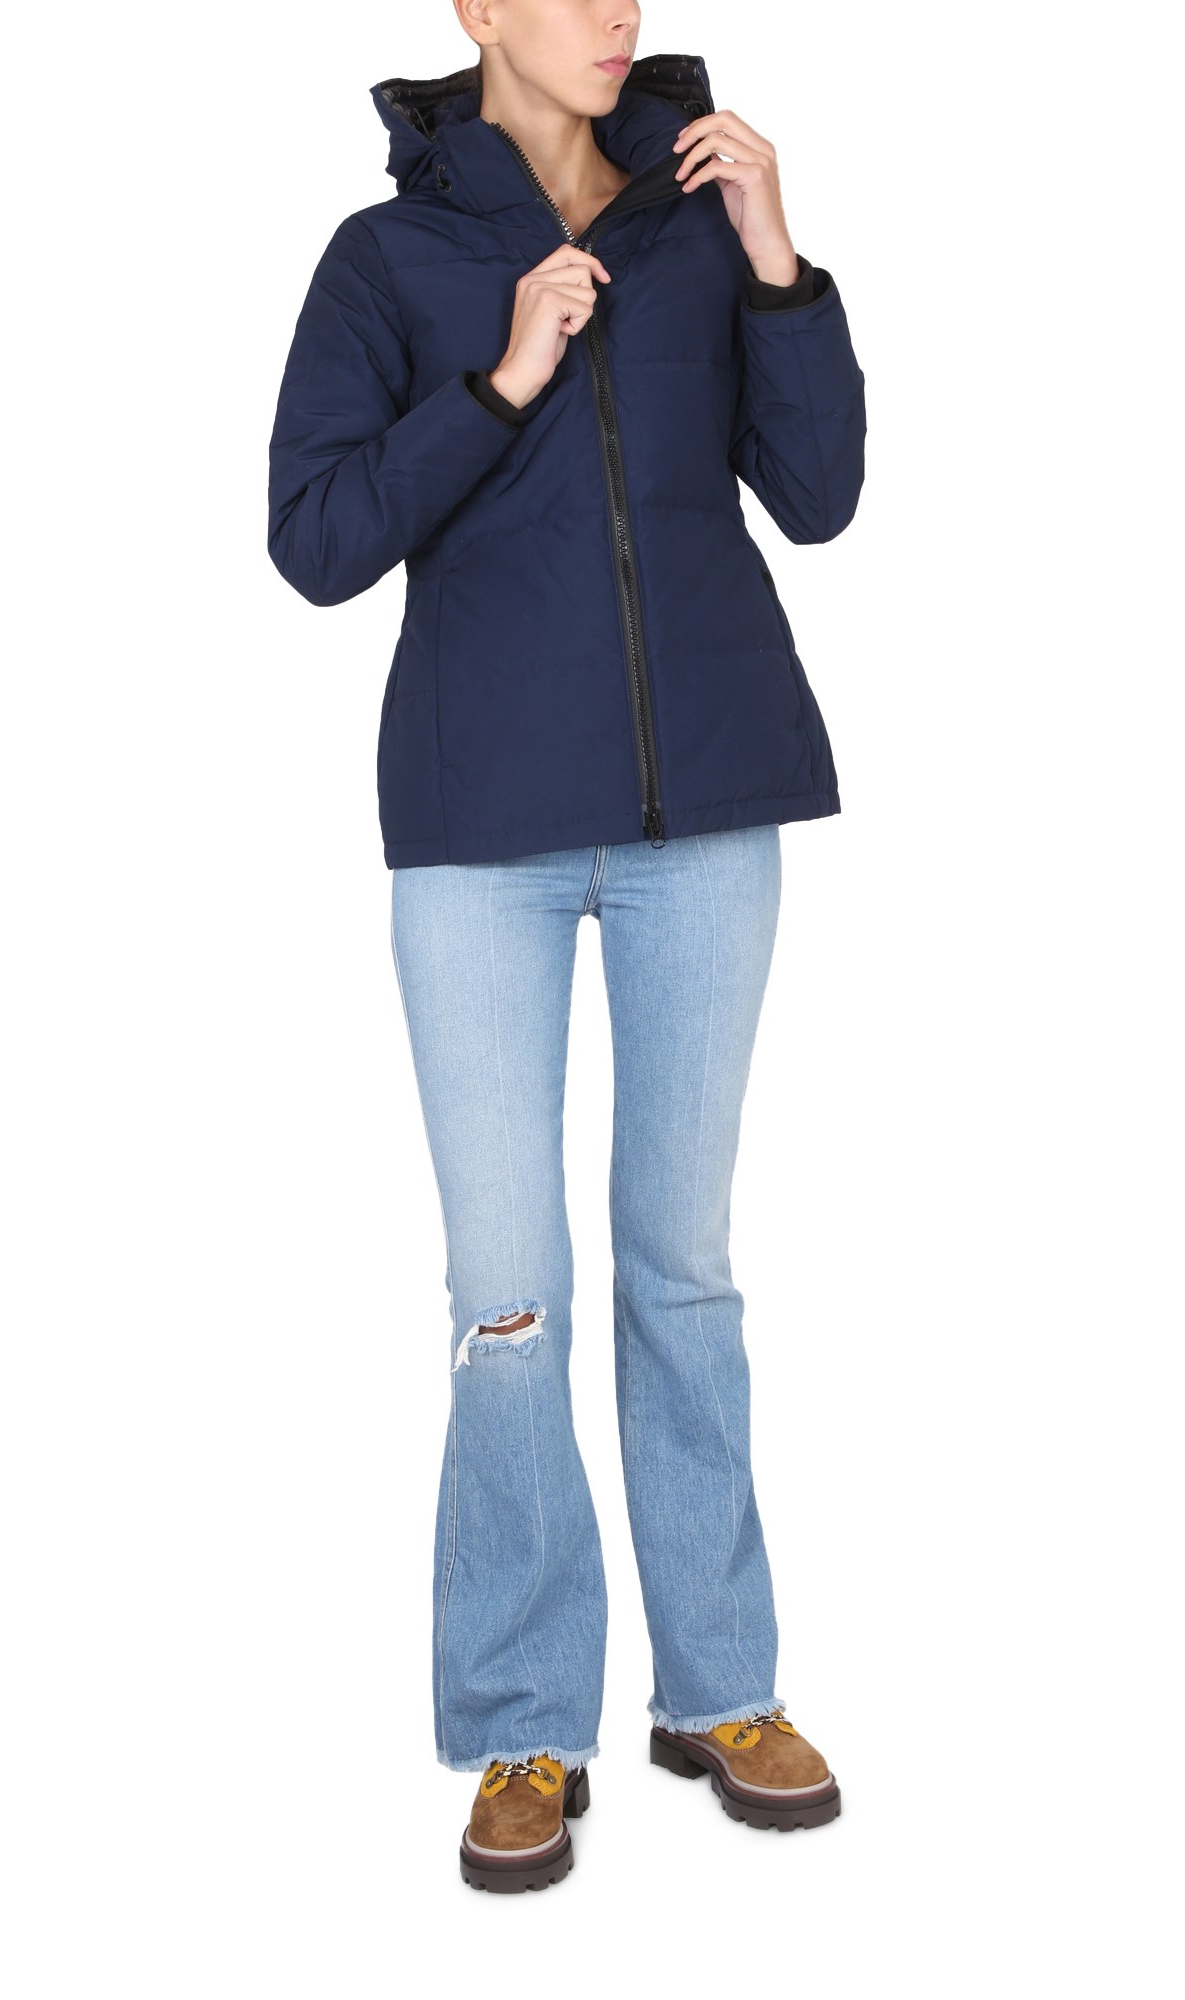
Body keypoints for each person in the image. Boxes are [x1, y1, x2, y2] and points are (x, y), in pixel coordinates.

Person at [267, 6, 867, 1893]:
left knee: (684, 1270)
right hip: (481, 836)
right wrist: (505, 377)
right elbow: (316, 538)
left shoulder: (698, 217)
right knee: (508, 1294)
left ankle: (723, 1688)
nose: (619, 14)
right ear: (476, 6)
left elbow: (822, 498)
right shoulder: (387, 257)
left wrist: (780, 269)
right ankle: (525, 1718)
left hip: (711, 817)